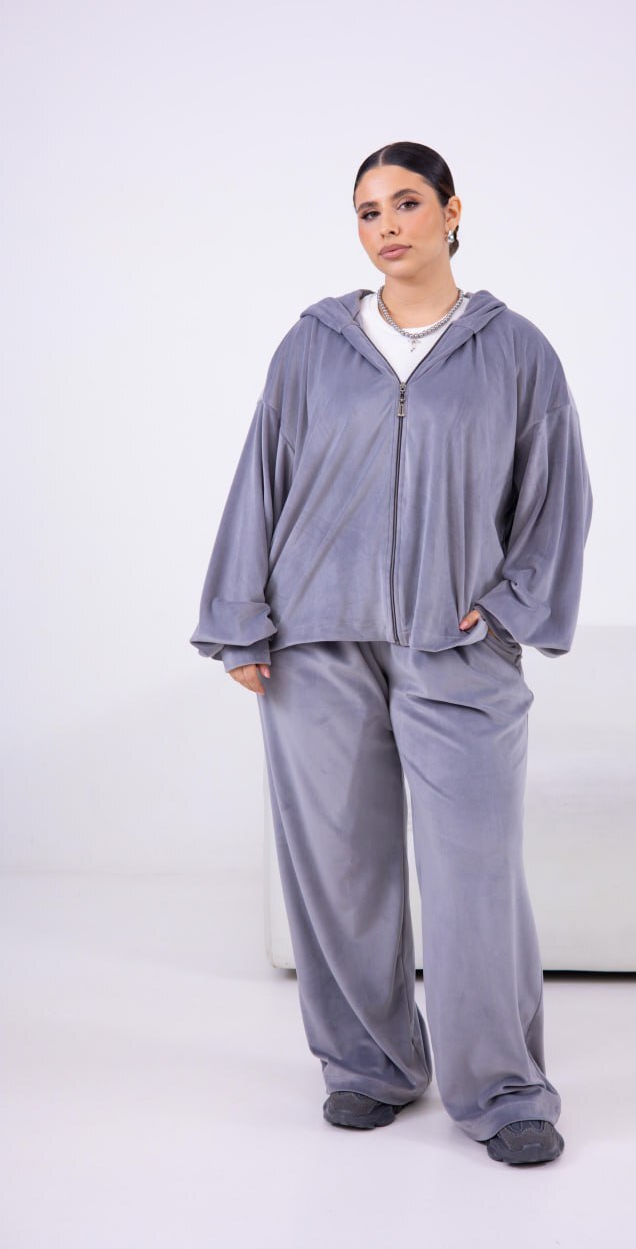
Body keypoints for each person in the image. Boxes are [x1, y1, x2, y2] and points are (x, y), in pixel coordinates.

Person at [189, 141, 593, 1166]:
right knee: (339, 870)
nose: (386, 227)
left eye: (406, 203)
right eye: (367, 212)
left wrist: (506, 611)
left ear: (452, 210)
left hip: (455, 646)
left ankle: (502, 1089)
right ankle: (368, 1066)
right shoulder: (313, 345)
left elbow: (558, 493)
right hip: (314, 640)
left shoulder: (516, 351)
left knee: (473, 874)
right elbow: (262, 474)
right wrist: (240, 614)